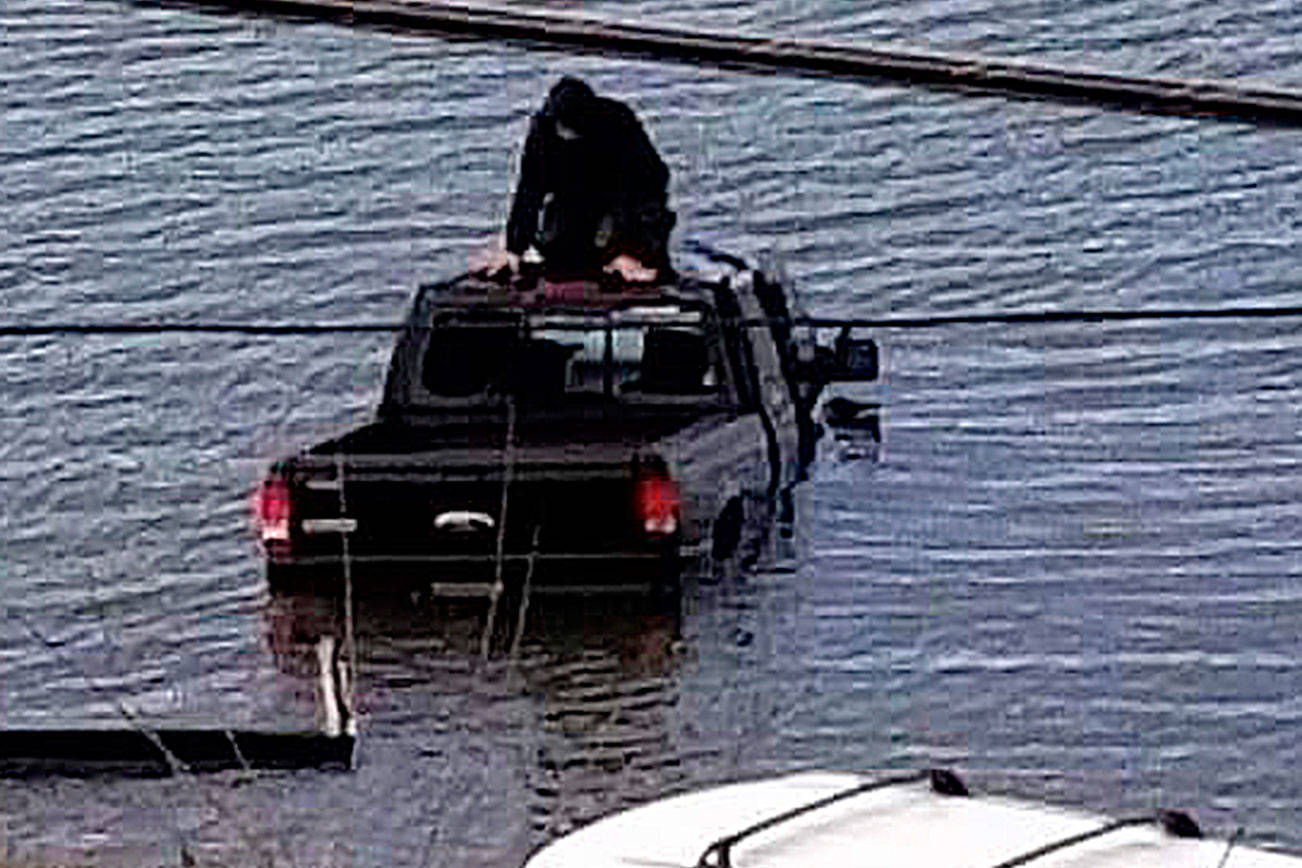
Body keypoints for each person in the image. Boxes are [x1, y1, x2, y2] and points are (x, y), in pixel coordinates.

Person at [482, 77, 675, 282]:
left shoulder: (618, 124)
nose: (567, 134)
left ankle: (628, 256)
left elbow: (650, 188)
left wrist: (631, 249)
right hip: (572, 198)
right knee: (556, 248)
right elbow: (529, 190)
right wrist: (514, 248)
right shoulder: (543, 129)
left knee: (617, 246)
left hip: (624, 199)